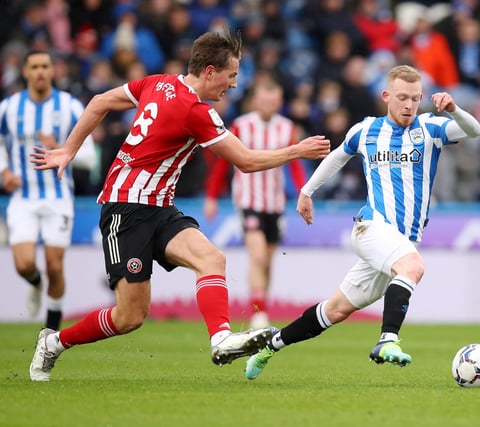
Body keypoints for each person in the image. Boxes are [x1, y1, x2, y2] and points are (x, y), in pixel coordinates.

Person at [28, 30, 330, 382]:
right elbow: (245, 161)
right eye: (231, 76)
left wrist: (68, 149)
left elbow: (99, 101)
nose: (233, 85)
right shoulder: (194, 111)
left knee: (211, 258)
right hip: (126, 210)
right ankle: (53, 343)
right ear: (210, 71)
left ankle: (220, 339)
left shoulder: (159, 83)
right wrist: (297, 150)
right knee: (130, 316)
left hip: (160, 207)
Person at [244, 64, 480, 380]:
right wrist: (306, 191)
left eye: (414, 98)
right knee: (413, 268)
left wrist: (454, 109)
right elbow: (338, 157)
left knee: (337, 309)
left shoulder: (430, 129)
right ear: (386, 96)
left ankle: (269, 347)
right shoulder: (366, 130)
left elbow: (474, 130)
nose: (409, 105)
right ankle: (387, 340)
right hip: (371, 228)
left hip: (401, 241)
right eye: (401, 98)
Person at [0, 50, 96, 331]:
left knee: (55, 266)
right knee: (24, 265)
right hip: (22, 198)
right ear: (25, 71)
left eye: (45, 66)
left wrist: (61, 147)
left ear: (52, 71)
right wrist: (5, 172)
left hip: (58, 199)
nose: (39, 72)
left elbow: (91, 157)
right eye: (34, 66)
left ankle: (49, 334)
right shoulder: (9, 108)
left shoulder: (70, 106)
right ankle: (35, 284)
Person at [203, 79, 307, 329]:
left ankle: (262, 310)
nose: (269, 104)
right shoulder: (242, 125)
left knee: (268, 261)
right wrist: (212, 196)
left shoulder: (287, 128)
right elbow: (223, 163)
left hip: (275, 203)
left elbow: (294, 164)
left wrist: (305, 192)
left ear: (279, 102)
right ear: (255, 100)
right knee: (258, 256)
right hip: (249, 200)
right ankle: (257, 313)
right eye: (264, 99)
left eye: (274, 100)